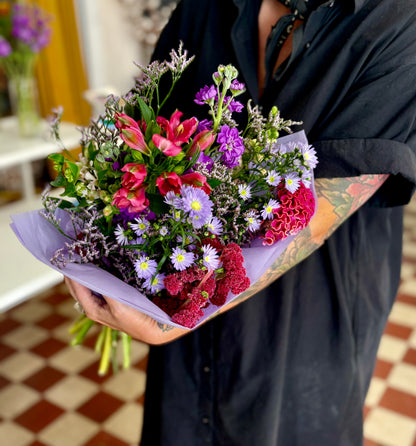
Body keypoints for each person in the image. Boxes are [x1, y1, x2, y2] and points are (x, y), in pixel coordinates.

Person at [65, 0, 416, 444]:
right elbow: (148, 127)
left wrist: (172, 317)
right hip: (187, 274)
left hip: (315, 302)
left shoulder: (398, 17)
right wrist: (99, 253)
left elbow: (317, 213)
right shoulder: (203, 8)